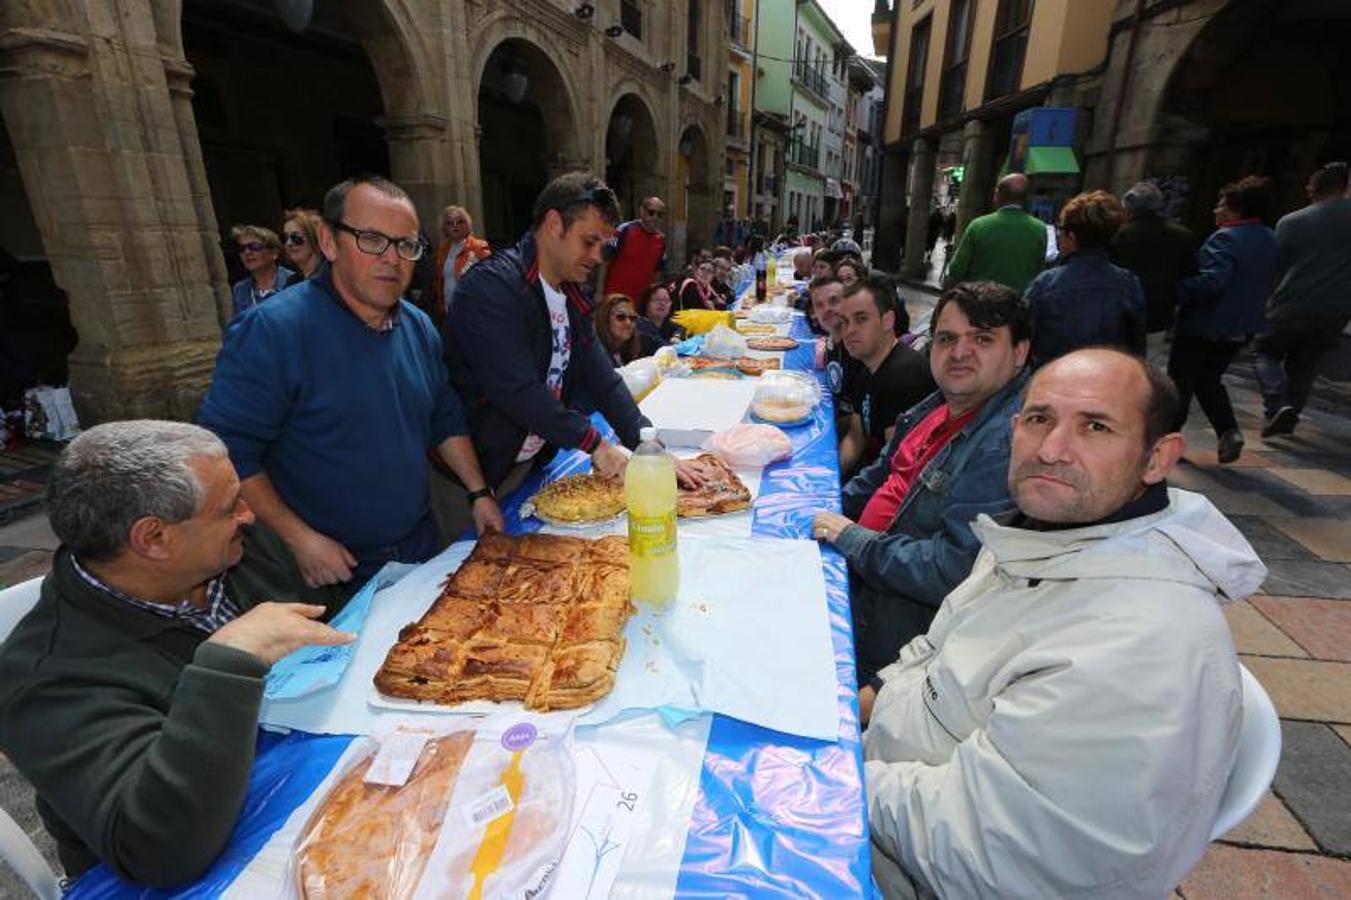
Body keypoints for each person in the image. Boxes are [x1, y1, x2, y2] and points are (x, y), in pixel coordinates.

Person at [860, 348, 1263, 900]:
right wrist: (863, 702)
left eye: (1095, 427)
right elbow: (936, 647)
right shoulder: (1038, 536)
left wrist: (830, 774)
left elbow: (990, 852)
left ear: (1156, 458)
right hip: (893, 783)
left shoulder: (1139, 649)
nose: (1051, 450)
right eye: (1039, 419)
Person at [0, 421, 356, 886]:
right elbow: (160, 850)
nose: (249, 514)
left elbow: (344, 627)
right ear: (153, 539)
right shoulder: (43, 680)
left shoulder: (232, 550)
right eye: (229, 506)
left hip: (299, 793)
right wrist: (229, 661)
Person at [199, 175, 503, 601]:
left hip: (418, 547)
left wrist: (478, 492)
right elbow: (229, 451)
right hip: (328, 569)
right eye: (372, 239)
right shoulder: (273, 331)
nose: (392, 259)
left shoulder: (418, 326)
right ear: (328, 241)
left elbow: (444, 414)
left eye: (405, 245)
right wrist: (299, 539)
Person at [812, 281, 1032, 682]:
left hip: (887, 626)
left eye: (982, 339)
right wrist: (816, 509)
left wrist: (851, 538)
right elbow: (879, 474)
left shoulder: (1004, 445)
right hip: (860, 569)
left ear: (1019, 353)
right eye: (947, 338)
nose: (960, 352)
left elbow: (952, 570)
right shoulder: (940, 404)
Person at [445, 171, 704, 492]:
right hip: (473, 478)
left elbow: (604, 380)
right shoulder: (490, 289)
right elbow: (518, 389)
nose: (597, 257)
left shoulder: (571, 296)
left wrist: (650, 449)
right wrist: (596, 445)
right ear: (554, 225)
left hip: (531, 464)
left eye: (602, 245)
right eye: (589, 241)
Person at [1171, 175, 1279, 463]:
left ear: (1235, 208)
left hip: (1205, 323)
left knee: (1180, 382)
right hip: (1241, 325)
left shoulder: (1226, 238)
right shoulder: (1269, 238)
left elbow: (1212, 282)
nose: (1215, 210)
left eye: (1221, 204)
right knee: (1209, 380)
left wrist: (1175, 289)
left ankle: (1167, 437)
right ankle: (1229, 431)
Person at [1254, 161, 1351, 437]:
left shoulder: (1292, 221)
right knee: (1305, 364)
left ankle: (1277, 403)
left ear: (1314, 189)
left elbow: (1275, 268)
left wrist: (1263, 302)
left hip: (1291, 302)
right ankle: (1290, 415)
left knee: (1265, 353)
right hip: (1336, 310)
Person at [1023, 190, 1146, 367]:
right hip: (1106, 380)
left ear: (1071, 237)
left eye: (1061, 230)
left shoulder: (1046, 284)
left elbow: (1023, 337)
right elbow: (1137, 345)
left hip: (1054, 377)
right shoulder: (1128, 283)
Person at [837, 274, 936, 472]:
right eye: (844, 322)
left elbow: (896, 470)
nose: (849, 331)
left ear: (887, 320)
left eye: (861, 319)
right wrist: (829, 476)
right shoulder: (868, 368)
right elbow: (857, 437)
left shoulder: (905, 377)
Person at [1110, 181, 1196, 334]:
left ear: (1127, 206)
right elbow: (1189, 273)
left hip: (1121, 312)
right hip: (1159, 314)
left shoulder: (1119, 234)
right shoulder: (1182, 235)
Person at [944, 174, 1047, 293]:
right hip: (1016, 305)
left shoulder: (978, 225)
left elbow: (956, 269)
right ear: (1026, 198)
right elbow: (1039, 273)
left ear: (997, 195)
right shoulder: (1039, 229)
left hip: (979, 303)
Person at [430, 204, 491, 326]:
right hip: (448, 311)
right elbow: (439, 281)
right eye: (449, 222)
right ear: (444, 227)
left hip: (472, 312)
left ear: (468, 225)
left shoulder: (479, 247)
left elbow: (490, 281)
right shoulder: (443, 249)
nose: (455, 225)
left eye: (460, 221)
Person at [600, 196, 667, 302]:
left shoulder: (661, 241)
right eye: (651, 212)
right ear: (642, 211)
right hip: (614, 298)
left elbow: (657, 272)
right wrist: (599, 292)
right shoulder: (625, 230)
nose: (655, 217)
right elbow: (605, 261)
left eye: (659, 214)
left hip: (640, 303)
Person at [229, 225, 296, 319]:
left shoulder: (294, 282)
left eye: (254, 246)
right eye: (242, 249)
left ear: (274, 253)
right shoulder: (240, 290)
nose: (247, 252)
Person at [635, 282, 684, 356]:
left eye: (666, 300)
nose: (662, 303)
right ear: (646, 303)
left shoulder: (666, 323)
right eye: (657, 299)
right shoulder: (640, 325)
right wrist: (674, 343)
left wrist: (676, 337)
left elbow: (680, 329)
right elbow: (662, 348)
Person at [594, 293, 642, 366]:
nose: (628, 323)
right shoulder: (595, 352)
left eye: (632, 318)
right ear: (604, 318)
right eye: (621, 317)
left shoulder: (626, 354)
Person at [281, 208, 325, 280]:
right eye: (285, 238)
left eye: (295, 237)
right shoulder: (291, 282)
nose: (289, 243)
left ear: (313, 238)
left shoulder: (333, 276)